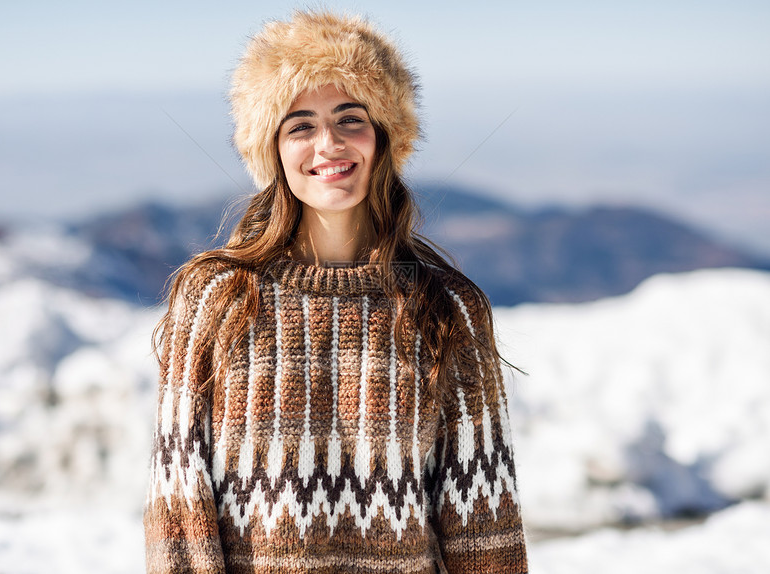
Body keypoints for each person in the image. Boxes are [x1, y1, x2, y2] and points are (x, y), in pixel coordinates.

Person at [144, 10, 529, 574]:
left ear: (385, 138)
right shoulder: (216, 300)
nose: (328, 144)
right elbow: (180, 513)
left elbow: (486, 531)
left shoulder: (448, 310)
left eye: (350, 119)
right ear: (271, 150)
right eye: (300, 125)